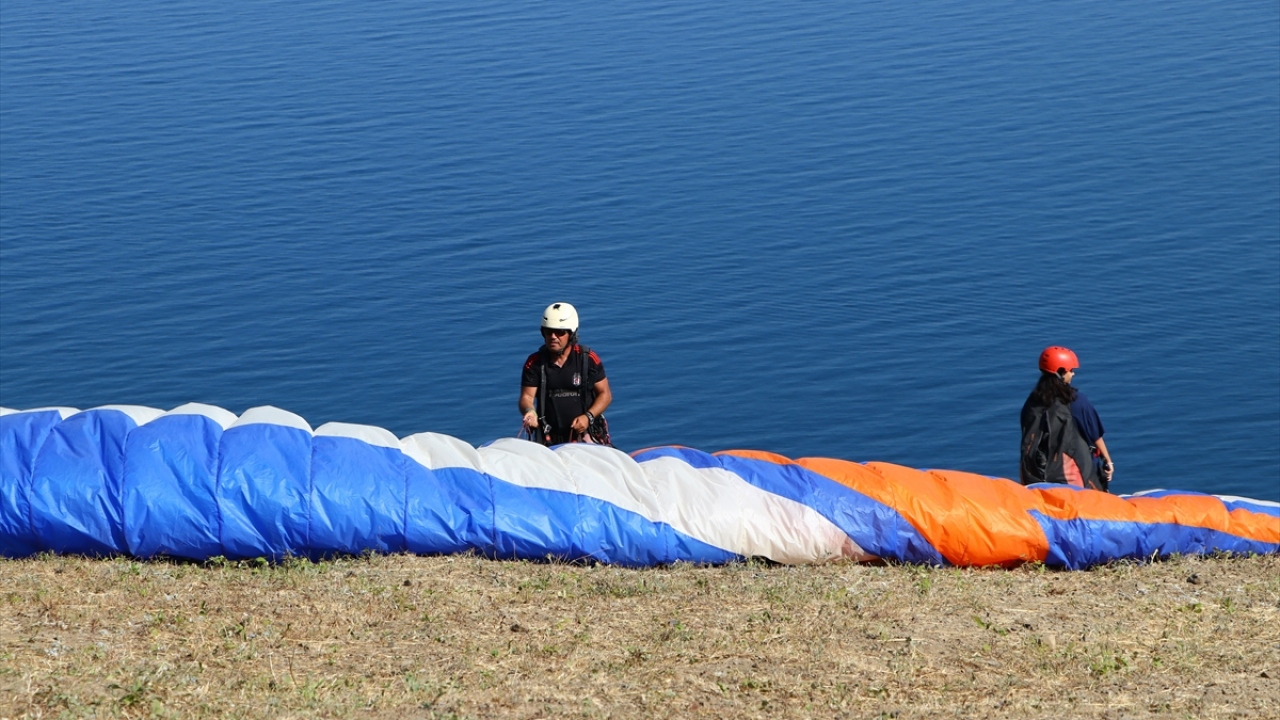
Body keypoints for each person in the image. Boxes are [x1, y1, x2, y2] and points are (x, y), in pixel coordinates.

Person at [1019, 346, 1114, 491]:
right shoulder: (1076, 401)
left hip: (1035, 476)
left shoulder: (1032, 403)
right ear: (1061, 372)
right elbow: (1095, 435)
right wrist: (1108, 461)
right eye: (1071, 370)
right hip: (1073, 478)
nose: (1073, 374)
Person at [519, 302, 613, 446]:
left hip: (586, 435)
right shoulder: (534, 363)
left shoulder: (588, 360)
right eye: (548, 332)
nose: (553, 336)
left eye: (560, 332)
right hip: (549, 438)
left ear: (571, 334)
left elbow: (605, 394)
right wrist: (530, 411)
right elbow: (527, 397)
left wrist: (588, 417)